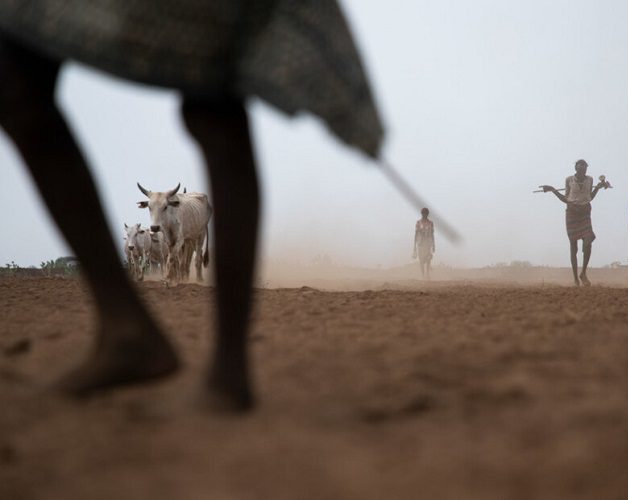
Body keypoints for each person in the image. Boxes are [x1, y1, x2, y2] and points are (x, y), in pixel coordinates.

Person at [0, 1, 384, 410]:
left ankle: (228, 368)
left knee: (212, 95)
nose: (156, 213)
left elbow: (184, 234)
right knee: (14, 79)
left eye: (162, 205)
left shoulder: (188, 205)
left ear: (173, 201)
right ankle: (127, 323)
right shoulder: (154, 216)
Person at [541, 159, 608, 286]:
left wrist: (598, 188)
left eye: (585, 166)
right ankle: (575, 279)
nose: (583, 167)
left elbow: (590, 197)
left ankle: (583, 273)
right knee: (573, 246)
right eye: (580, 165)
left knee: (588, 241)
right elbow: (566, 199)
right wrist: (553, 190)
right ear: (576, 168)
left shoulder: (590, 180)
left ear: (587, 168)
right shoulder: (569, 180)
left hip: (585, 212)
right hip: (572, 212)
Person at [412, 208, 435, 279]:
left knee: (428, 259)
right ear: (422, 214)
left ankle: (427, 274)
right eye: (423, 213)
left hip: (427, 243)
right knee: (421, 260)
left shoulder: (430, 223)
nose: (425, 215)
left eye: (426, 213)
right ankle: (423, 275)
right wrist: (414, 246)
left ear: (427, 214)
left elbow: (432, 234)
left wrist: (434, 245)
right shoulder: (418, 223)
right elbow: (416, 234)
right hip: (420, 243)